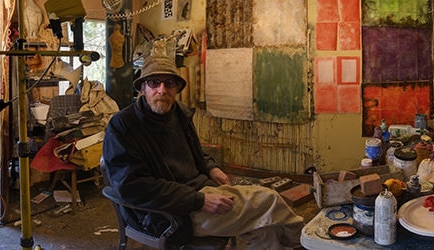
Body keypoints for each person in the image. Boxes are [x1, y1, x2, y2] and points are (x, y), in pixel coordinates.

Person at [102, 41, 303, 249]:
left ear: (177, 88)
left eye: (169, 83)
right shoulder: (123, 126)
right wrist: (198, 200)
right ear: (143, 88)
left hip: (199, 192)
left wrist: (210, 167)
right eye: (154, 83)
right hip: (169, 214)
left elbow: (195, 152)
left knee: (265, 229)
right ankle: (305, 242)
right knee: (269, 200)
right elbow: (132, 187)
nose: (162, 90)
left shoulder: (178, 114)